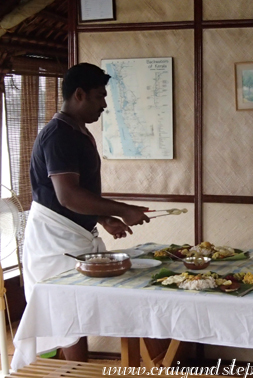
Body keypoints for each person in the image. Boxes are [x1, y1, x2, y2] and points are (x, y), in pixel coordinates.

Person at [24, 63, 151, 361]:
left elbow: (80, 195)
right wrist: (124, 209)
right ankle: (75, 370)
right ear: (79, 94)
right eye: (99, 96)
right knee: (66, 318)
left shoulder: (78, 131)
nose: (105, 104)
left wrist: (104, 218)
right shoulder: (58, 135)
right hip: (54, 241)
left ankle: (79, 368)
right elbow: (68, 196)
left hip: (73, 235)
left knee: (75, 315)